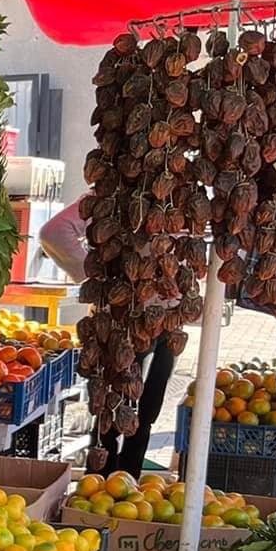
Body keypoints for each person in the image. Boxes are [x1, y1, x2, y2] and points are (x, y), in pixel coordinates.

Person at [40, 198, 175, 474]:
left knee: (132, 413)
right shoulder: (112, 193)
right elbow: (53, 233)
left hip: (150, 321)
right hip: (126, 320)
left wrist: (94, 277)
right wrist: (96, 278)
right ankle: (109, 488)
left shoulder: (176, 195)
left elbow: (55, 232)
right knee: (118, 414)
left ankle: (112, 488)